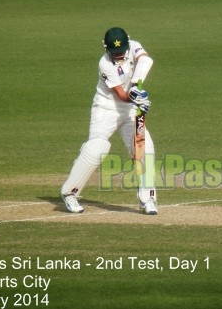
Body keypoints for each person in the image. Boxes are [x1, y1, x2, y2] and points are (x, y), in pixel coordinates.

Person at [61, 27, 158, 214]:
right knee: (96, 148)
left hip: (130, 109)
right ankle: (70, 194)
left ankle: (148, 199)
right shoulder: (105, 64)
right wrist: (135, 95)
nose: (119, 55)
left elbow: (146, 60)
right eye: (115, 53)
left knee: (144, 147)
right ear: (106, 49)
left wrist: (137, 89)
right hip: (106, 109)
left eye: (122, 51)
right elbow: (121, 95)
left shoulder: (135, 46)